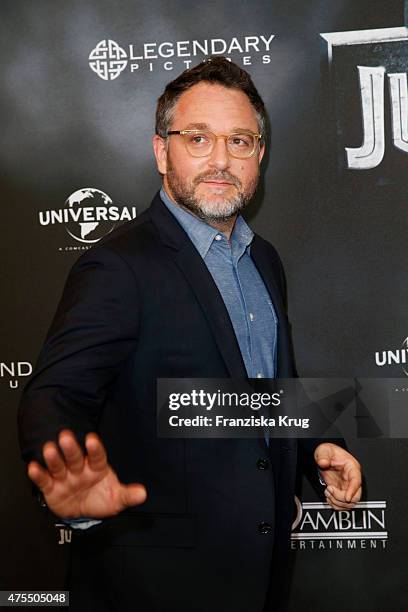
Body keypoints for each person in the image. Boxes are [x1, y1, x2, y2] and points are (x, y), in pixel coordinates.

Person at [18, 57, 362, 612]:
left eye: (240, 141)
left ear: (260, 157)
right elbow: (56, 394)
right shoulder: (117, 267)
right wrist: (68, 478)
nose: (221, 160)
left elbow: (269, 388)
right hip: (155, 586)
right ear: (162, 151)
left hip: (262, 576)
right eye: (198, 138)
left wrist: (321, 446)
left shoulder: (264, 260)